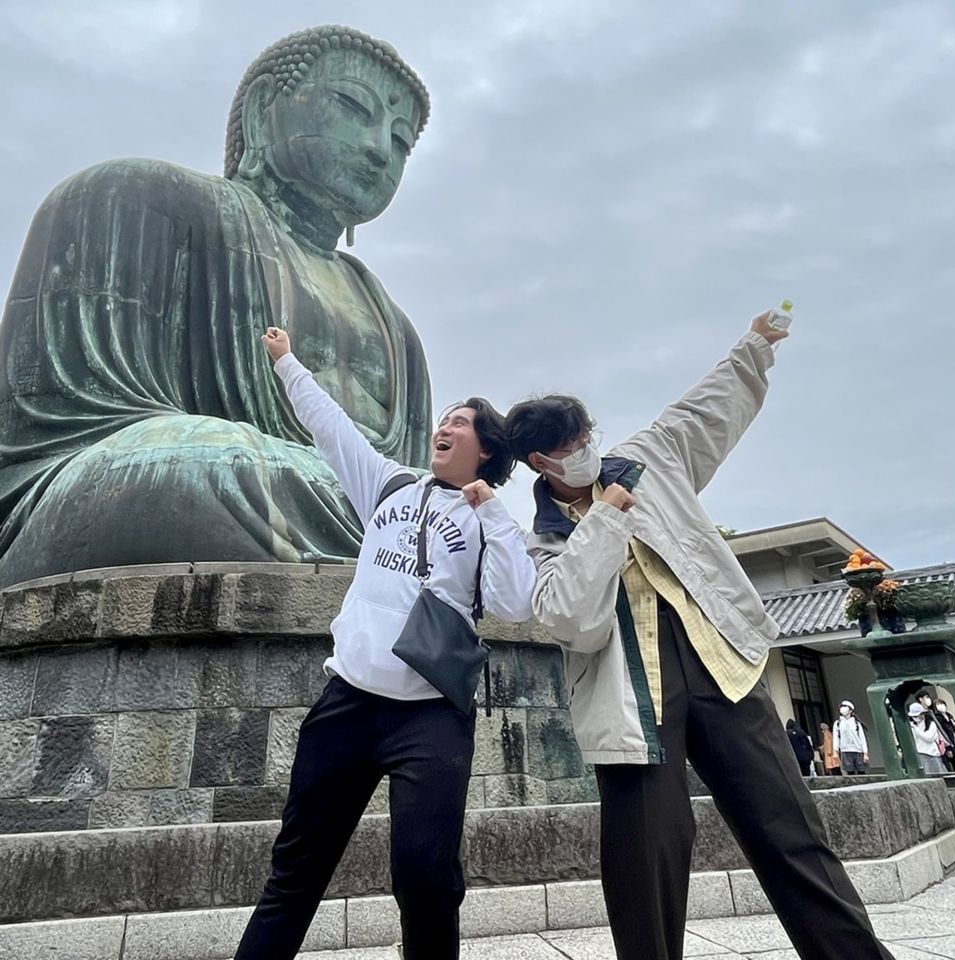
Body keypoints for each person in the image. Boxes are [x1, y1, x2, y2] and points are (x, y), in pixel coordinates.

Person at [505, 313, 893, 960]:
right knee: (645, 870)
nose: (587, 447)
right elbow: (571, 618)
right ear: (541, 462)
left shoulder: (648, 458)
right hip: (633, 705)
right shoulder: (543, 542)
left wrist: (756, 345)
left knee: (794, 837)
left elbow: (706, 407)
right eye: (571, 445)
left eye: (587, 434)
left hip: (724, 670)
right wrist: (603, 520)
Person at [0, 25, 436, 587]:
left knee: (451, 526)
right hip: (161, 487)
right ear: (262, 113)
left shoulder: (396, 331)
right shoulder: (132, 198)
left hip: (347, 507)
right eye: (352, 106)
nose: (380, 149)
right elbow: (55, 435)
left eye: (401, 140)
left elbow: (414, 485)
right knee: (183, 477)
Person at [233, 327, 536, 960]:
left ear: (485, 449)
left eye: (459, 422)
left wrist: (494, 515)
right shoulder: (391, 486)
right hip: (347, 703)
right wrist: (289, 361)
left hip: (429, 717)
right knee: (296, 871)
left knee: (425, 879)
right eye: (444, 419)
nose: (443, 427)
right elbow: (332, 427)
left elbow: (513, 602)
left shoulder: (488, 521)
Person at [917, 691, 955, 771]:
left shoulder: (931, 712)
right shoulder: (926, 716)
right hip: (934, 746)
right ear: (921, 699)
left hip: (943, 742)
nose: (929, 700)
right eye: (926, 697)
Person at [907, 702, 948, 776]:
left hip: (933, 754)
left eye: (918, 715)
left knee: (940, 775)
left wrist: (916, 729)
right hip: (921, 753)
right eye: (914, 716)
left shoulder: (931, 724)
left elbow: (929, 738)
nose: (916, 717)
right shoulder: (912, 725)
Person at [833, 700, 870, 775]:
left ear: (850, 710)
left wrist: (865, 753)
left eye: (845, 707)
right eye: (842, 707)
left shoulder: (856, 723)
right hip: (845, 751)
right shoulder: (838, 723)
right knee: (850, 773)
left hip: (858, 751)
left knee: (861, 772)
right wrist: (835, 752)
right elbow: (836, 738)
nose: (843, 708)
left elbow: (862, 739)